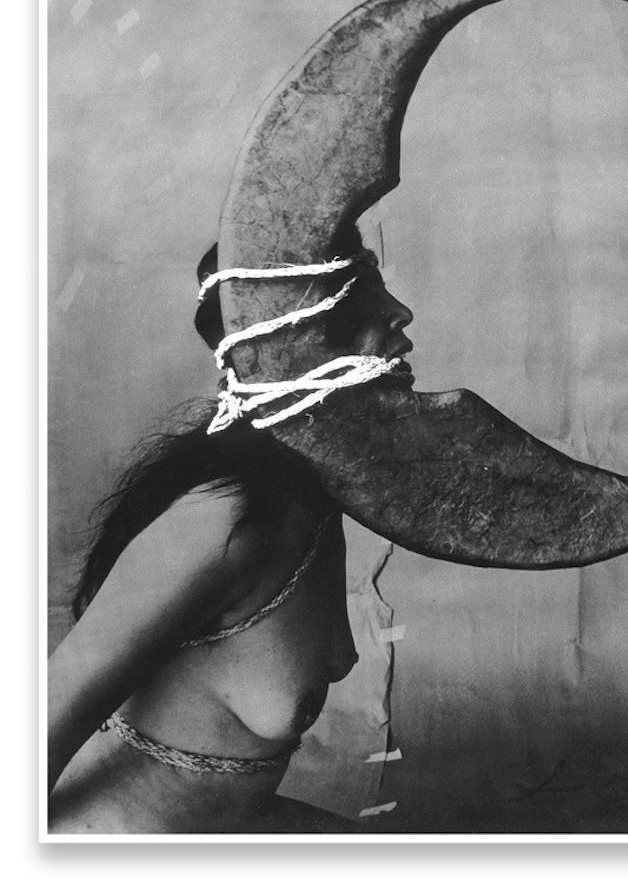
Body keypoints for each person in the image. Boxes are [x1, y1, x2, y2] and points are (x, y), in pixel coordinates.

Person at [48, 230, 414, 833]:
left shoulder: (311, 496)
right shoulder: (217, 522)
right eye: (362, 295)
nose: (401, 313)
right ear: (294, 340)